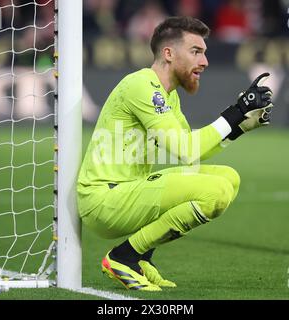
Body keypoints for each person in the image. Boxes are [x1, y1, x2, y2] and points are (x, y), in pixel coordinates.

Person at [77, 16, 274, 291]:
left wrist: (240, 127)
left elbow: (189, 154)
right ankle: (124, 257)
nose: (204, 62)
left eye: (204, 53)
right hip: (104, 200)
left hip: (127, 192)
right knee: (214, 191)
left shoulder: (168, 95)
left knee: (229, 178)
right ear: (168, 53)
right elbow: (185, 148)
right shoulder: (142, 85)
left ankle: (142, 259)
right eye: (196, 52)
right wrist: (236, 112)